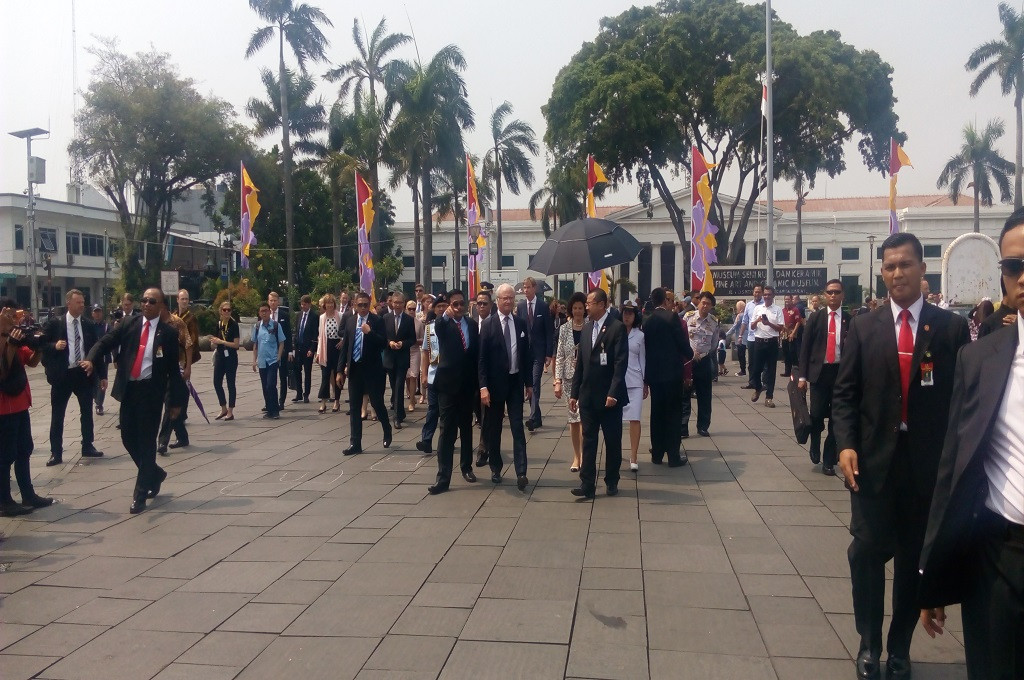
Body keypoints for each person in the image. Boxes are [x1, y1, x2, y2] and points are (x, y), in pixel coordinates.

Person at [832, 232, 970, 680]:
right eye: (889, 266)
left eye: (904, 265)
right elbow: (845, 394)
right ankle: (869, 644)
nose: (896, 274)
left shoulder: (947, 328)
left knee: (914, 560)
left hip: (925, 467)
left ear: (922, 269)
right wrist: (845, 443)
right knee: (866, 553)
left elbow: (960, 400)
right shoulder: (865, 326)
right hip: (873, 463)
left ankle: (899, 649)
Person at [918, 209, 1024, 680]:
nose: (1023, 277)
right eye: (1014, 266)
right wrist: (933, 576)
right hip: (1001, 558)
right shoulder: (981, 359)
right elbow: (953, 467)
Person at [83, 288, 187, 514]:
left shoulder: (167, 334)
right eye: (144, 300)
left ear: (161, 306)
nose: (146, 304)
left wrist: (176, 402)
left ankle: (140, 495)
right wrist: (91, 359)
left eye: (152, 301)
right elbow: (105, 342)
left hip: (151, 393)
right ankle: (155, 473)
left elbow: (173, 371)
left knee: (147, 441)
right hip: (129, 390)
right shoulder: (129, 324)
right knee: (128, 437)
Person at [569, 288, 628, 499]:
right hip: (587, 396)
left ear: (602, 305)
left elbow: (620, 364)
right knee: (589, 440)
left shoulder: (617, 328)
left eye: (590, 303)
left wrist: (613, 393)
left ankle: (612, 479)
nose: (586, 306)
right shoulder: (586, 328)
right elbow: (581, 365)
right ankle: (587, 484)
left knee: (612, 441)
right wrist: (574, 393)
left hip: (609, 398)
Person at [40, 289, 104, 466]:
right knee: (57, 415)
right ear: (69, 303)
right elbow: (40, 344)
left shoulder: (88, 324)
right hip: (62, 376)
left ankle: (87, 445)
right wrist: (54, 346)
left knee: (86, 411)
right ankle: (56, 452)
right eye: (78, 302)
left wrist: (102, 375)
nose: (82, 305)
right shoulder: (56, 324)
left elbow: (96, 349)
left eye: (83, 302)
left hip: (82, 373)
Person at [479, 283, 532, 490]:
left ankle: (521, 471)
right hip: (494, 384)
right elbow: (481, 359)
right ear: (498, 301)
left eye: (511, 298)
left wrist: (529, 383)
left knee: (518, 427)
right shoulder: (489, 324)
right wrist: (483, 387)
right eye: (505, 298)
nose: (509, 301)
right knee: (495, 428)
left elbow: (526, 355)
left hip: (515, 382)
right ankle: (496, 468)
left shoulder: (520, 323)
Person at [0, 300, 50, 516]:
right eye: (9, 316)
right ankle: (4, 500)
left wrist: (39, 348)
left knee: (24, 449)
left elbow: (31, 361)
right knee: (5, 454)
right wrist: (10, 343)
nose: (14, 320)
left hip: (20, 403)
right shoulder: (5, 340)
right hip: (4, 407)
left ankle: (27, 493)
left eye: (15, 316)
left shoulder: (14, 337)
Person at [428, 290, 480, 494]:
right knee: (447, 430)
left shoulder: (472, 325)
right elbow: (437, 329)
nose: (459, 308)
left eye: (461, 304)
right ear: (449, 305)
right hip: (447, 386)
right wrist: (445, 315)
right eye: (455, 304)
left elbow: (475, 353)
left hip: (467, 385)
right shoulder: (443, 324)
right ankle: (443, 477)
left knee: (466, 428)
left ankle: (466, 467)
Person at [797, 279, 849, 476]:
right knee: (817, 414)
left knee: (837, 418)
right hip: (819, 374)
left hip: (840, 374)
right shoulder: (816, 318)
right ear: (825, 295)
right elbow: (805, 348)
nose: (833, 296)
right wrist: (802, 377)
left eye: (837, 292)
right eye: (830, 292)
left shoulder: (849, 320)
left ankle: (829, 459)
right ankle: (815, 442)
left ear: (842, 295)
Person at [643, 287, 693, 466]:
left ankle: (656, 454)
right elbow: (681, 343)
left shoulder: (647, 321)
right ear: (665, 301)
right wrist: (691, 354)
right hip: (672, 374)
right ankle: (673, 455)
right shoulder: (671, 317)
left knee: (657, 414)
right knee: (673, 414)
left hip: (654, 375)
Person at [337, 291, 392, 454]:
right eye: (359, 305)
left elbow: (383, 343)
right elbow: (345, 347)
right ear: (354, 305)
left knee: (377, 403)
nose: (362, 308)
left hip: (373, 370)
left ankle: (386, 429)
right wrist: (340, 369)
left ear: (369, 305)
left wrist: (370, 332)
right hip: (355, 369)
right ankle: (355, 443)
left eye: (365, 305)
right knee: (354, 406)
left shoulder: (377, 321)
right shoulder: (350, 321)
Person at [157, 289, 197, 453]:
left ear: (164, 307)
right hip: (159, 368)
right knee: (175, 406)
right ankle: (182, 436)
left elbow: (188, 344)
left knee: (169, 402)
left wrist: (187, 367)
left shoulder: (177, 322)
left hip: (177, 368)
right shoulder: (154, 324)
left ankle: (162, 442)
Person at [554, 292, 588, 472]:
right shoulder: (564, 329)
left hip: (587, 379)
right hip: (569, 379)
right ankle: (577, 456)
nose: (577, 311)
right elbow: (559, 355)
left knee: (584, 418)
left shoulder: (591, 327)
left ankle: (586, 455)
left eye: (580, 308)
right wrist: (557, 380)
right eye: (574, 308)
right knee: (573, 418)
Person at [517, 277, 553, 431]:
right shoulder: (520, 306)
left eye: (528, 287)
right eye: (524, 288)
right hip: (526, 352)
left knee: (536, 382)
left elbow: (549, 331)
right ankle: (537, 417)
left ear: (535, 289)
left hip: (539, 351)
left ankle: (532, 417)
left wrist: (549, 353)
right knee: (529, 384)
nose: (526, 290)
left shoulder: (543, 306)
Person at [682, 291, 720, 436]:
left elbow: (714, 343)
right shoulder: (688, 317)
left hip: (704, 360)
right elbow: (683, 337)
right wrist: (691, 353)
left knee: (705, 395)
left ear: (711, 306)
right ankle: (683, 426)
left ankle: (703, 426)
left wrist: (704, 353)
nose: (705, 305)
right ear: (698, 302)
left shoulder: (713, 322)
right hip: (688, 360)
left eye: (708, 304)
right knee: (685, 394)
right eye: (703, 302)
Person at [416, 294, 447, 454]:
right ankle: (426, 440)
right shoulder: (430, 328)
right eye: (438, 306)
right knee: (432, 409)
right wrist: (424, 375)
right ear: (434, 309)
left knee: (446, 411)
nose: (441, 309)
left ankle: (447, 439)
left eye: (444, 306)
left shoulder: (453, 325)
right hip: (434, 373)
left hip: (449, 375)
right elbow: (425, 352)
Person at [620, 300, 646, 471]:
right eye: (625, 312)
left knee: (635, 419)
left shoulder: (640, 335)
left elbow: (643, 359)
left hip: (635, 381)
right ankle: (615, 453)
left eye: (631, 313)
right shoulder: (615, 331)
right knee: (615, 421)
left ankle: (634, 455)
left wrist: (645, 382)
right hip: (618, 381)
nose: (627, 316)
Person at [383, 292, 416, 428]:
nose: (397, 305)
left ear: (403, 304)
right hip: (390, 358)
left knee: (399, 385)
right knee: (393, 385)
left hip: (402, 358)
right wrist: (389, 342)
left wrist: (403, 343)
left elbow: (412, 339)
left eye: (400, 303)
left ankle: (396, 417)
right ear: (391, 303)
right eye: (395, 302)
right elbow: (381, 336)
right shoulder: (386, 318)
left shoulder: (408, 319)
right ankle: (400, 411)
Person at [749, 285, 784, 408]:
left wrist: (768, 322)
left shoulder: (777, 309)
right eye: (765, 294)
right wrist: (758, 320)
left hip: (772, 342)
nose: (767, 297)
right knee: (756, 370)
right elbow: (752, 327)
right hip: (759, 342)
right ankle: (758, 388)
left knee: (771, 371)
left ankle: (769, 397)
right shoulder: (758, 308)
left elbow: (780, 328)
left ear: (773, 296)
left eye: (769, 294)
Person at [251, 302, 285, 420]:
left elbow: (281, 342)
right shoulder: (257, 326)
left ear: (270, 312)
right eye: (262, 311)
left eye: (266, 310)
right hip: (262, 361)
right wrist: (254, 360)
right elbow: (255, 344)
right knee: (265, 386)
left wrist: (279, 356)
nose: (264, 313)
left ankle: (275, 410)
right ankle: (269, 410)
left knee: (271, 385)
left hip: (272, 360)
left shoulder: (276, 326)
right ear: (259, 313)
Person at [473, 290, 493, 465]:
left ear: (491, 305)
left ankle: (483, 448)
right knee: (478, 412)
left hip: (488, 376)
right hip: (472, 375)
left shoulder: (495, 324)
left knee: (486, 413)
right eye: (478, 303)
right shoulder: (471, 324)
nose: (481, 306)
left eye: (484, 303)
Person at [210, 301, 239, 421]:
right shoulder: (219, 324)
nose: (227, 312)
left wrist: (222, 342)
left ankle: (231, 411)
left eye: (229, 310)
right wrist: (214, 342)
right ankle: (223, 407)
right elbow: (216, 342)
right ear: (220, 311)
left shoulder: (234, 325)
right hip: (220, 356)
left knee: (230, 383)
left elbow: (236, 344)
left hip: (231, 357)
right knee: (216, 382)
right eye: (224, 310)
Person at [315, 294, 343, 414]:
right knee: (325, 376)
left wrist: (342, 341)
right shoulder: (322, 318)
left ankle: (337, 400)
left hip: (337, 347)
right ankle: (324, 402)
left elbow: (344, 331)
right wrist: (318, 351)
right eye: (328, 303)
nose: (330, 305)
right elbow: (320, 336)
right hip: (326, 347)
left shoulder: (340, 315)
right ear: (324, 305)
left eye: (332, 303)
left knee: (337, 375)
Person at [267, 291, 291, 411]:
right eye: (271, 300)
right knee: (270, 378)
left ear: (278, 302)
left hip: (282, 350)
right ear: (268, 301)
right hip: (268, 351)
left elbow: (288, 334)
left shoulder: (284, 315)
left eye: (275, 300)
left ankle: (281, 401)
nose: (273, 303)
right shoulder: (264, 314)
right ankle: (270, 402)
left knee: (282, 376)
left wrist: (290, 351)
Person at [293, 294, 318, 403]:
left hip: (308, 349)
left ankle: (306, 394)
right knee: (297, 371)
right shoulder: (299, 315)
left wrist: (312, 349)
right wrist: (294, 346)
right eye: (301, 304)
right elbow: (297, 330)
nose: (302, 306)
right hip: (299, 348)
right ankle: (299, 392)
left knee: (307, 372)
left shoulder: (314, 316)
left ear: (309, 304)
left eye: (304, 304)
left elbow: (315, 334)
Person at [739, 284, 766, 387]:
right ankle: (752, 382)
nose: (757, 294)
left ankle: (762, 382)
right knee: (751, 362)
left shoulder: (765, 305)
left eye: (759, 292)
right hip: (751, 337)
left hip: (762, 336)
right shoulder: (749, 305)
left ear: (762, 293)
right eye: (755, 291)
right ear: (753, 292)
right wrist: (740, 336)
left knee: (761, 361)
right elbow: (745, 321)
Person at [90, 304, 112, 415]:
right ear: (92, 314)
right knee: (93, 380)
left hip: (103, 358)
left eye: (99, 311)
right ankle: (95, 397)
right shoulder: (89, 326)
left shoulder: (106, 326)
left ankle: (99, 404)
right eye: (95, 312)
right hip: (92, 358)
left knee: (102, 380)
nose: (97, 314)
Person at [406, 298, 423, 413]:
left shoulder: (419, 323)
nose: (412, 311)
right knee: (407, 377)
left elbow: (423, 339)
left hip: (415, 351)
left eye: (413, 308)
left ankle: (412, 400)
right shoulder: (403, 321)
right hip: (404, 351)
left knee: (413, 376)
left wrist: (416, 341)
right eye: (409, 309)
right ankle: (410, 395)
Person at [780, 294, 803, 377]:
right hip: (784, 333)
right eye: (785, 299)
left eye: (788, 299)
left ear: (791, 300)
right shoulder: (782, 310)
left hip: (792, 333)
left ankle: (797, 370)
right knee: (785, 352)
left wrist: (793, 333)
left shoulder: (795, 309)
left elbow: (798, 322)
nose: (787, 301)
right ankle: (787, 371)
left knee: (792, 352)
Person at [728, 300, 747, 376]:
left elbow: (735, 326)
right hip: (743, 336)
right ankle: (743, 370)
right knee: (741, 354)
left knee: (741, 355)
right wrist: (733, 314)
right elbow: (735, 322)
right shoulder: (742, 315)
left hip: (741, 337)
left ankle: (743, 370)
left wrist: (726, 335)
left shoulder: (741, 315)